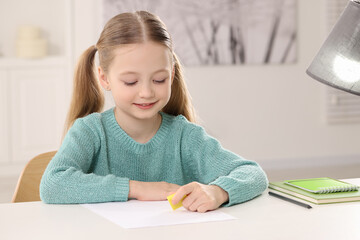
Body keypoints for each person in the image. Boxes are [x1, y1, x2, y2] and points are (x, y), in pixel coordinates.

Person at [40, 11, 268, 213]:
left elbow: (252, 173)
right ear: (104, 78)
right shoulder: (90, 131)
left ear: (173, 73)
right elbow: (52, 184)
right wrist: (137, 189)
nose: (147, 92)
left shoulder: (185, 136)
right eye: (131, 82)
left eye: (159, 79)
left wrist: (219, 192)